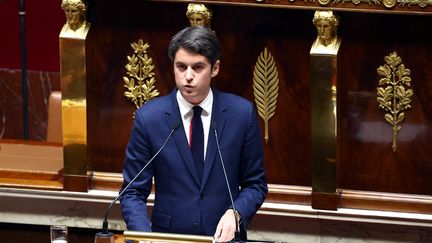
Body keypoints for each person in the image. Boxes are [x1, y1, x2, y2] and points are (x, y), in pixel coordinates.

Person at [120, 26, 267, 242]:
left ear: (215, 68)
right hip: (167, 239)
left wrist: (236, 213)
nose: (188, 77)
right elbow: (132, 192)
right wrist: (143, 235)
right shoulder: (149, 118)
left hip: (223, 239)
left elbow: (255, 184)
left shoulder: (241, 114)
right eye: (181, 67)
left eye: (197, 67)